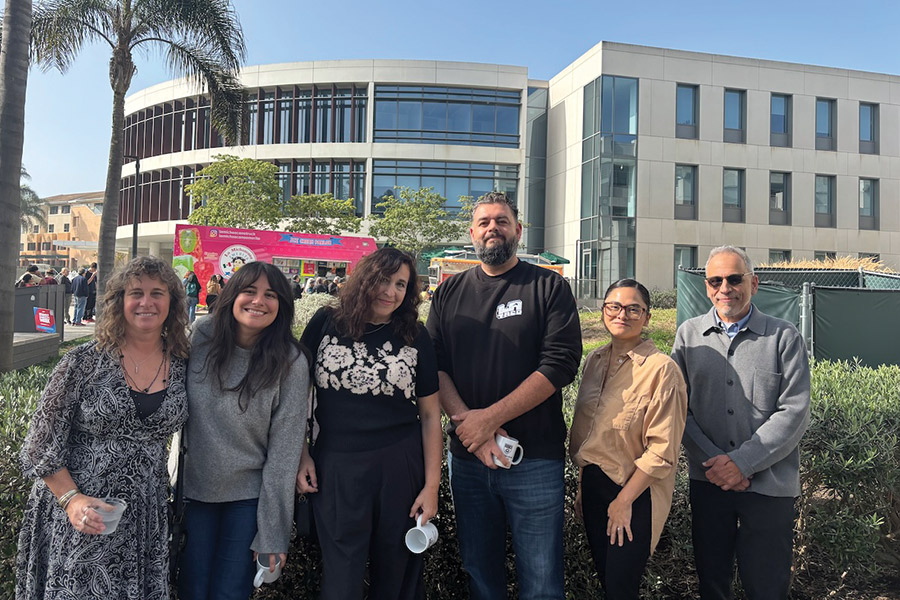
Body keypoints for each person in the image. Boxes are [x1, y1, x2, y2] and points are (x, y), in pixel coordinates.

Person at [425, 191, 582, 600]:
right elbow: (433, 366)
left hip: (535, 460)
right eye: (484, 222)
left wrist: (486, 421)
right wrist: (470, 429)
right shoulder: (447, 294)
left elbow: (560, 364)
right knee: (480, 573)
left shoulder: (548, 287)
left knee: (543, 579)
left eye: (501, 220)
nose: (492, 227)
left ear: (518, 229)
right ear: (472, 233)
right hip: (468, 460)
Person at [16, 255, 191, 599]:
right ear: (119, 301)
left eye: (157, 293)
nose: (146, 302)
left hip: (143, 516)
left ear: (172, 303)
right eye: (135, 293)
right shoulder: (83, 361)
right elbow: (40, 443)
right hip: (78, 511)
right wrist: (72, 500)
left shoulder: (186, 365)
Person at [297, 248, 442, 600]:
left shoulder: (415, 335)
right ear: (364, 278)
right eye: (382, 279)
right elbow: (295, 397)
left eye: (401, 285)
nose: (390, 291)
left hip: (400, 467)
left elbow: (430, 415)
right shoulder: (325, 323)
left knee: (397, 573)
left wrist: (433, 486)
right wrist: (301, 455)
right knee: (340, 574)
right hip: (337, 465)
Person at [671, 245, 811, 600]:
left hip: (769, 486)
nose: (725, 288)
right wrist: (718, 464)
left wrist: (742, 463)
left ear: (754, 283)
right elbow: (677, 408)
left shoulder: (784, 336)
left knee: (766, 585)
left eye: (735, 279)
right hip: (709, 481)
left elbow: (794, 411)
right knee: (712, 582)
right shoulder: (687, 336)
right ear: (706, 287)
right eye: (716, 280)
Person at [179, 261, 309, 600]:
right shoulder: (200, 335)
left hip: (247, 499)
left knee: (229, 592)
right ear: (231, 295)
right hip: (193, 492)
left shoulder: (291, 363)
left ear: (283, 305)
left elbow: (284, 454)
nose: (258, 301)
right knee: (191, 588)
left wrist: (273, 533)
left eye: (270, 295)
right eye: (249, 291)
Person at [569, 279, 687, 599]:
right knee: (608, 583)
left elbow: (662, 450)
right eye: (615, 307)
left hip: (634, 492)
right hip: (593, 487)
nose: (623, 314)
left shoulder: (662, 370)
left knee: (622, 588)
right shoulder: (594, 362)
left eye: (634, 309)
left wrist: (623, 502)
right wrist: (582, 488)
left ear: (647, 317)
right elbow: (587, 434)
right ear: (603, 311)